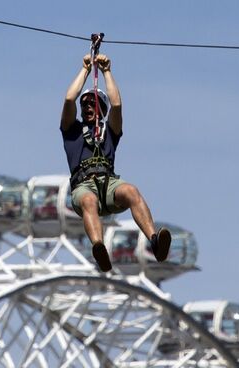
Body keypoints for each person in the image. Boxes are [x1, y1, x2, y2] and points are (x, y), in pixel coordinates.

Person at [60, 53, 171, 272]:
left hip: (108, 182)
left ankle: (154, 240)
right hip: (84, 185)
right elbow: (69, 99)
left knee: (131, 191)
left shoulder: (109, 132)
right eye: (85, 105)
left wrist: (106, 72)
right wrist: (85, 69)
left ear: (101, 108)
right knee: (89, 200)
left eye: (93, 104)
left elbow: (117, 104)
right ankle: (99, 247)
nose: (88, 107)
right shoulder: (71, 131)